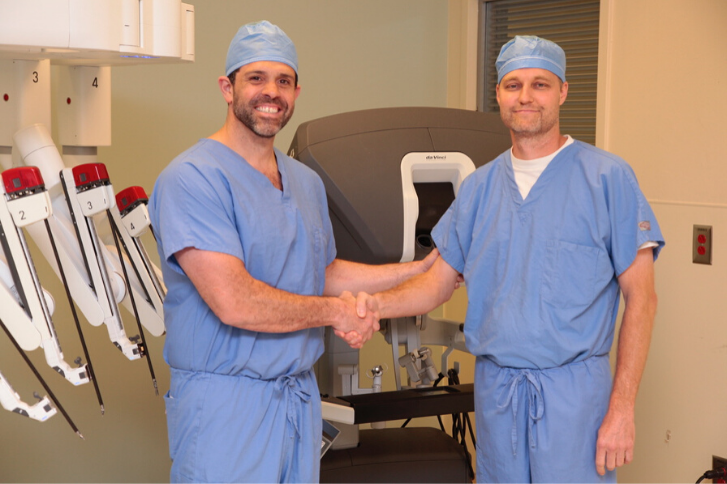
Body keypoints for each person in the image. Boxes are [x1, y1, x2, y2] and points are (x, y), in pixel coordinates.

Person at [354, 35, 664, 483]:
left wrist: (622, 410)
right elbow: (437, 283)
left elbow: (643, 300)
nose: (525, 97)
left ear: (562, 91)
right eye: (513, 85)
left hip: (574, 399)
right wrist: (369, 307)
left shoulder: (607, 179)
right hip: (498, 394)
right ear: (498, 95)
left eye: (540, 84)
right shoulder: (479, 188)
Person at [148, 20, 439, 483]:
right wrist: (338, 315)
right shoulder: (193, 178)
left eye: (284, 80)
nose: (272, 92)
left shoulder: (304, 182)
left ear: (297, 92)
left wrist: (414, 270)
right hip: (227, 407)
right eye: (256, 78)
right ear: (227, 87)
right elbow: (234, 301)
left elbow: (318, 272)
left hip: (297, 403)